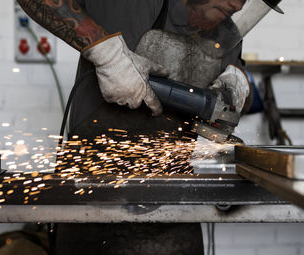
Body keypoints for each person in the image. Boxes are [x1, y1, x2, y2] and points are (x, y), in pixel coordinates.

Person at [16, 0, 283, 254]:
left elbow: (236, 85)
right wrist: (105, 52)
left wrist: (238, 84)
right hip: (95, 193)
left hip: (173, 200)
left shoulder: (226, 28)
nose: (238, 5)